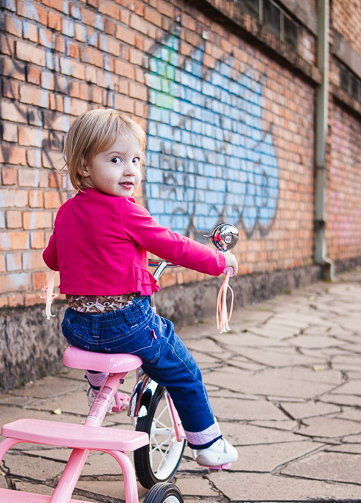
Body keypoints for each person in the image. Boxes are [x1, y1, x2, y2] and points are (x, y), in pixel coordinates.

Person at [42, 108, 239, 468]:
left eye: (136, 159)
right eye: (116, 159)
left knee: (91, 329)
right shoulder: (125, 211)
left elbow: (52, 259)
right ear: (84, 166)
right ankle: (208, 443)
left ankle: (98, 382)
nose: (130, 169)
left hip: (77, 326)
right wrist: (218, 261)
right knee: (182, 370)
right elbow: (172, 245)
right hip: (126, 325)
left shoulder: (66, 212)